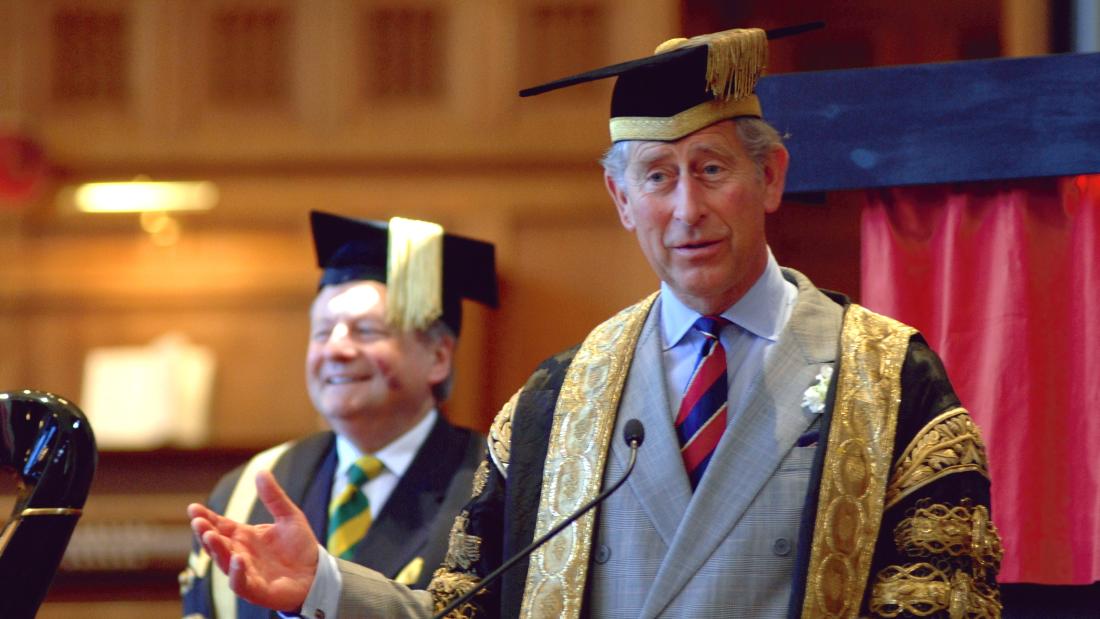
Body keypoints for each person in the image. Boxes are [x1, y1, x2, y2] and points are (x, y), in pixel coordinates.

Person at [190, 27, 1004, 618]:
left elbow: (944, 602)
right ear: (620, 198)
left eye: (712, 169)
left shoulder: (890, 380)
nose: (686, 208)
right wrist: (328, 585)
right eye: (657, 175)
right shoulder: (557, 400)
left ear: (771, 176)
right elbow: (467, 610)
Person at [181, 211, 498, 619]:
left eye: (366, 331)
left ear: (438, 357)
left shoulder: (488, 488)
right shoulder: (247, 489)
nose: (336, 349)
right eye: (322, 331)